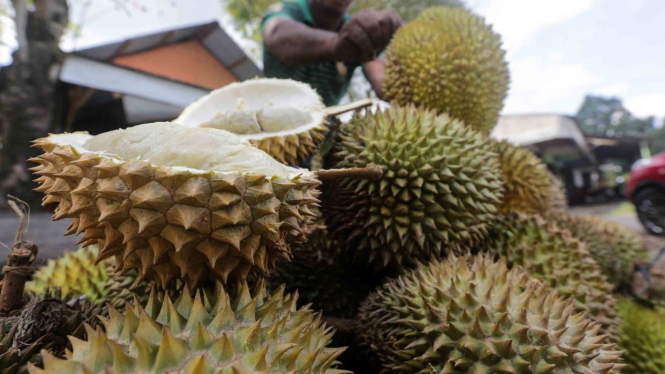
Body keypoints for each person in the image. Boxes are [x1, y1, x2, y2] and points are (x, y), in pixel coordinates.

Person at [262, 0, 402, 106]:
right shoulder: (290, 9)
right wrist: (336, 45)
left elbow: (381, 75)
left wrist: (403, 88)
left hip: (323, 134)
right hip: (267, 121)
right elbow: (277, 33)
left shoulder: (362, 33)